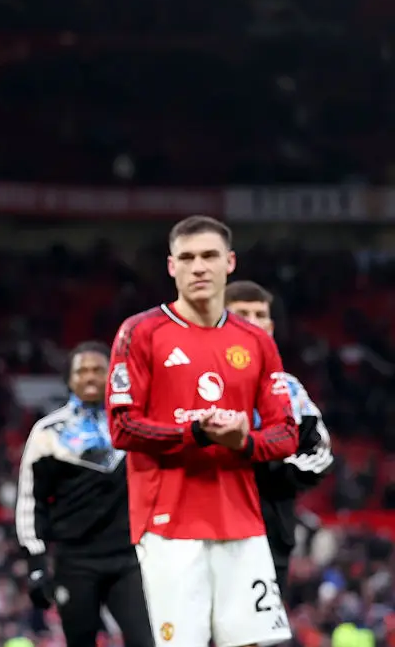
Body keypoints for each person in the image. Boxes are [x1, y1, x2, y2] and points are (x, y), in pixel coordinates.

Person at [106, 215, 299, 647]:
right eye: (187, 257)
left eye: (209, 256)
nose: (199, 267)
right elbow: (122, 427)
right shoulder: (139, 333)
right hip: (168, 524)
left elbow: (286, 432)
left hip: (241, 520)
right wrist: (197, 434)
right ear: (171, 266)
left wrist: (242, 441)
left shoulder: (256, 340)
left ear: (229, 263)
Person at [16, 341, 154, 647]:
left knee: (146, 642)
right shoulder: (47, 433)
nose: (90, 377)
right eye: (82, 371)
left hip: (129, 557)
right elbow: (30, 502)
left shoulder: (134, 426)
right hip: (74, 561)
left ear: (112, 376)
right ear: (69, 379)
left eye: (98, 370)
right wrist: (36, 563)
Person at [224, 280, 334, 601]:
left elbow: (320, 454)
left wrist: (269, 467)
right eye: (242, 313)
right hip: (201, 529)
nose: (253, 322)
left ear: (271, 327)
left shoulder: (291, 391)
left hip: (268, 535)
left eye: (260, 315)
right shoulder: (198, 382)